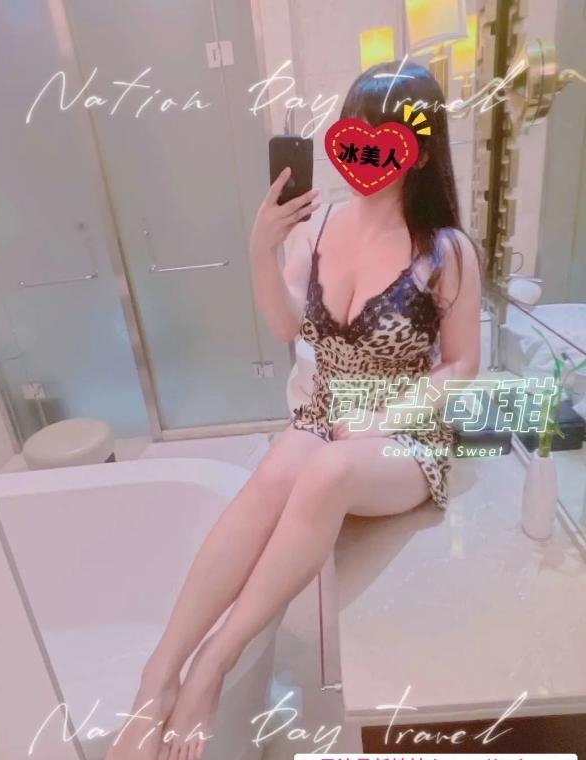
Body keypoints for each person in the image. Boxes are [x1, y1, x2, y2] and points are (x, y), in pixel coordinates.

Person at [106, 60, 482, 760]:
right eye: (355, 132)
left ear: (421, 152)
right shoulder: (320, 225)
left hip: (404, 434)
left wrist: (382, 415)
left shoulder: (445, 250)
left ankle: (213, 665)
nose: (364, 150)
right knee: (275, 474)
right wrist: (261, 246)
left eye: (384, 137)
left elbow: (462, 365)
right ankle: (158, 674)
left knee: (326, 474)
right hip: (324, 415)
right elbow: (285, 324)